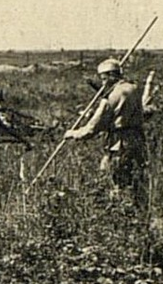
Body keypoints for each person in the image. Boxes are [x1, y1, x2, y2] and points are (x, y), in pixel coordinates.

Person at [63, 58, 149, 209]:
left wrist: (73, 133)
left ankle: (119, 216)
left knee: (115, 180)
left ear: (110, 76)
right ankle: (140, 214)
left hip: (119, 144)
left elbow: (92, 129)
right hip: (138, 140)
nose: (102, 83)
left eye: (103, 79)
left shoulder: (111, 97)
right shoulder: (134, 88)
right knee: (137, 181)